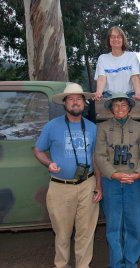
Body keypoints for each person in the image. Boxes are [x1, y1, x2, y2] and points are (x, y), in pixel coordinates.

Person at [33, 83, 102, 268]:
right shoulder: (52, 126)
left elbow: (96, 158)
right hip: (60, 187)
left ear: (84, 103)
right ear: (64, 103)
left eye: (78, 99)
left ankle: (83, 265)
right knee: (62, 233)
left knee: (85, 232)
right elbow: (38, 150)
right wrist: (49, 163)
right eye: (70, 99)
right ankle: (61, 265)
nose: (75, 102)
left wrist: (98, 186)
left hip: (87, 184)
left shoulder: (92, 128)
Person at [95, 93, 140, 268]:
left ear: (129, 107)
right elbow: (100, 156)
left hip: (134, 182)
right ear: (111, 109)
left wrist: (138, 173)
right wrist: (113, 174)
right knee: (114, 225)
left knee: (133, 224)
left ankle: (131, 262)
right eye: (116, 105)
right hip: (112, 182)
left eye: (123, 105)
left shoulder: (139, 127)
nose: (120, 108)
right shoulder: (102, 128)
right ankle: (116, 263)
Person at [94, 26, 140, 101]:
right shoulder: (102, 58)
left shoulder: (132, 56)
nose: (115, 39)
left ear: (123, 40)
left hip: (129, 96)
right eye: (112, 37)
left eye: (119, 37)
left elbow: (135, 77)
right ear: (109, 40)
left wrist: (138, 93)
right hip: (109, 96)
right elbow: (101, 78)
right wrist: (99, 93)